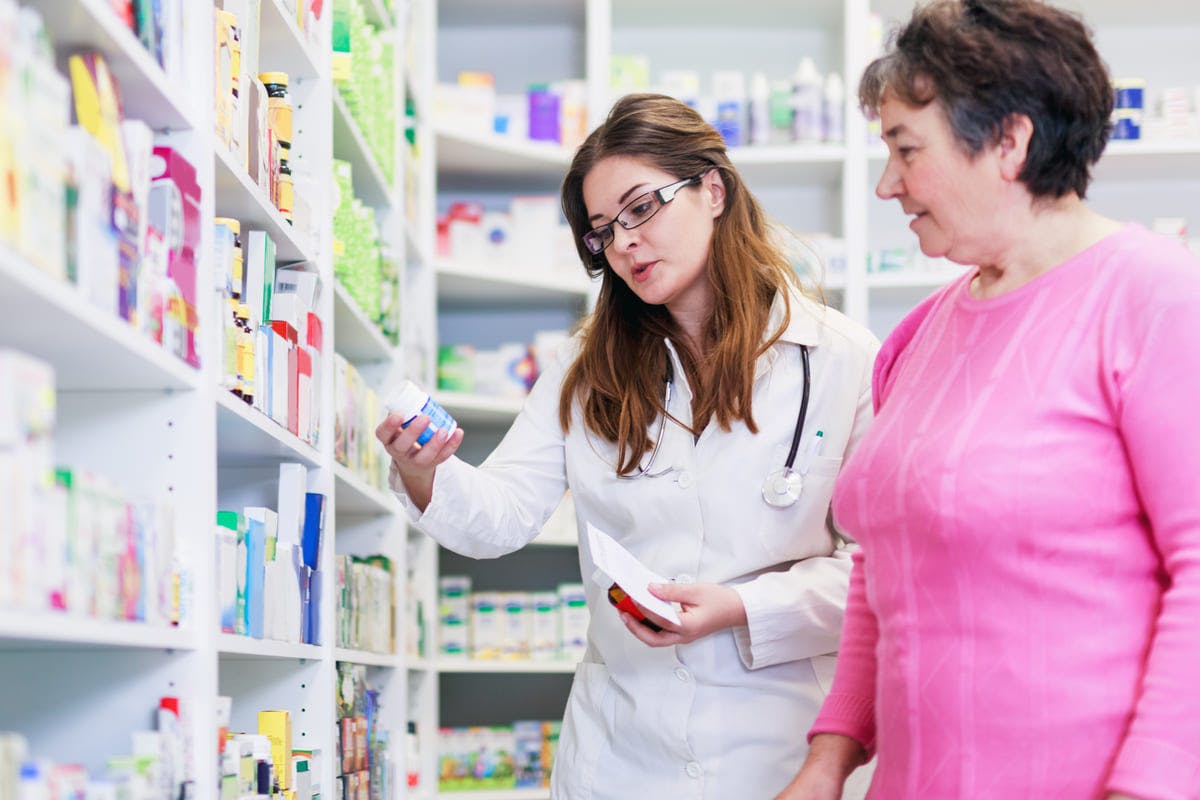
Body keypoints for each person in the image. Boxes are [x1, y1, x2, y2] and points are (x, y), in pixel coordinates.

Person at [376, 93, 880, 800]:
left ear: (714, 189)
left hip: (780, 753)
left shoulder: (840, 358)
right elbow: (497, 518)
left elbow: (875, 575)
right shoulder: (587, 369)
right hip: (621, 757)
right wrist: (421, 469)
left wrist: (739, 607)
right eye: (603, 232)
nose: (624, 244)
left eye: (642, 208)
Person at [776, 2, 1200, 799]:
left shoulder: (1152, 297)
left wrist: (1147, 788)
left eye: (907, 149)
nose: (887, 183)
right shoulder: (916, 337)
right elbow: (882, 573)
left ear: (1010, 141)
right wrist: (829, 757)